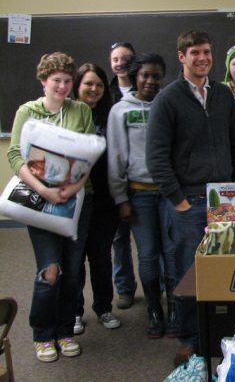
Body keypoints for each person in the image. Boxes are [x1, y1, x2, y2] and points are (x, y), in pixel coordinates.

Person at [146, 30, 235, 366]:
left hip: (225, 200)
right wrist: (178, 201)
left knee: (226, 269)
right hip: (187, 201)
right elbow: (157, 157)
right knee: (187, 274)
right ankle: (190, 339)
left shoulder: (221, 95)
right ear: (181, 57)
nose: (202, 58)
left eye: (206, 52)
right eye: (195, 53)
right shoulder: (168, 99)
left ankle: (223, 334)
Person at [7, 52, 95, 362]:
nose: (62, 86)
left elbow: (86, 154)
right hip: (39, 201)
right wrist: (44, 189)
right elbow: (15, 156)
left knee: (72, 272)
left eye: (67, 81)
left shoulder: (81, 110)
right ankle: (42, 334)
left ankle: (64, 330)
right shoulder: (26, 112)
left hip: (75, 200)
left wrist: (69, 188)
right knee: (50, 271)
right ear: (44, 81)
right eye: (56, 80)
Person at [108, 52, 178, 339]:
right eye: (145, 75)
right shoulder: (120, 111)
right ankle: (153, 310)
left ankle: (174, 307)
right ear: (135, 76)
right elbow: (116, 156)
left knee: (172, 253)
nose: (150, 81)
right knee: (148, 255)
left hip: (170, 194)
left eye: (156, 76)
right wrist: (120, 198)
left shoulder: (170, 104)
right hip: (139, 195)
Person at [72, 64, 121, 335]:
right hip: (76, 199)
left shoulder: (109, 115)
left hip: (105, 199)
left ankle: (103, 307)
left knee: (101, 257)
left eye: (99, 85)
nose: (94, 89)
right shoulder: (68, 116)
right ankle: (75, 312)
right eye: (88, 84)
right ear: (78, 85)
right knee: (75, 258)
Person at [108, 41, 139, 310]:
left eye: (126, 58)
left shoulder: (148, 92)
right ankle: (125, 288)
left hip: (143, 180)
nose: (121, 63)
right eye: (116, 59)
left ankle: (162, 289)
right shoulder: (105, 93)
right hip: (114, 176)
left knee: (152, 242)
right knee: (120, 239)